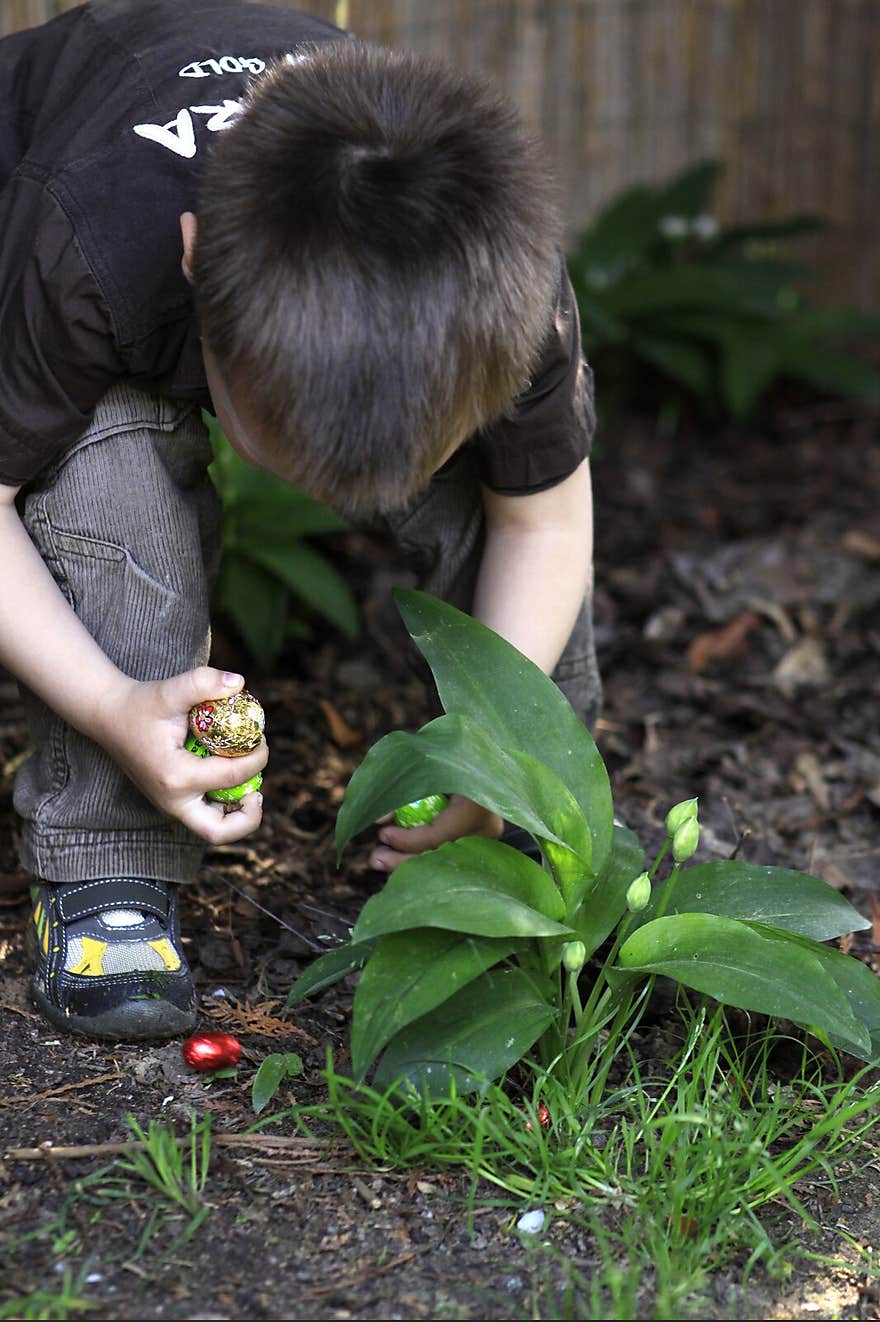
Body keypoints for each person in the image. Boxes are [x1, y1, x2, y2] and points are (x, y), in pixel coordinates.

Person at [0, 0, 600, 1041]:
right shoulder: (87, 240)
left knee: (496, 494)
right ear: (195, 260)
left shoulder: (509, 282)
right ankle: (110, 871)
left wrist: (489, 752)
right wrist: (109, 704)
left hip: (273, 281)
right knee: (107, 460)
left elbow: (542, 528)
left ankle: (536, 825)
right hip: (57, 232)